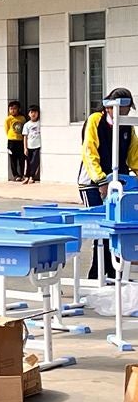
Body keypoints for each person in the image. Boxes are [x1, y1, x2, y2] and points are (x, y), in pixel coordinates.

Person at [78, 87, 138, 280]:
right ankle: (97, 274)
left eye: (128, 109)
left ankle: (113, 272)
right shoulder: (96, 120)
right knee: (100, 231)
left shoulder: (127, 126)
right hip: (92, 183)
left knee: (116, 228)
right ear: (111, 108)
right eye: (124, 109)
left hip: (119, 182)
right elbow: (89, 152)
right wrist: (100, 180)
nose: (126, 113)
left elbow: (134, 156)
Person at [4, 100, 26, 181]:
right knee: (13, 159)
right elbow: (6, 129)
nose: (13, 110)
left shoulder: (22, 118)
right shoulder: (8, 119)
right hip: (11, 141)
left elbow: (24, 128)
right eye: (11, 109)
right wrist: (11, 136)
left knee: (21, 158)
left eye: (14, 108)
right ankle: (16, 175)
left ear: (19, 109)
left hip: (20, 140)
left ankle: (22, 174)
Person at [21, 105, 41, 185]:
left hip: (37, 146)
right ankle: (27, 176)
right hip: (29, 146)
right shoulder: (27, 125)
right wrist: (25, 148)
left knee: (34, 162)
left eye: (35, 112)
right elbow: (25, 137)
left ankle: (32, 176)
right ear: (29, 114)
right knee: (28, 162)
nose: (33, 114)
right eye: (31, 112)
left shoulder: (40, 123)